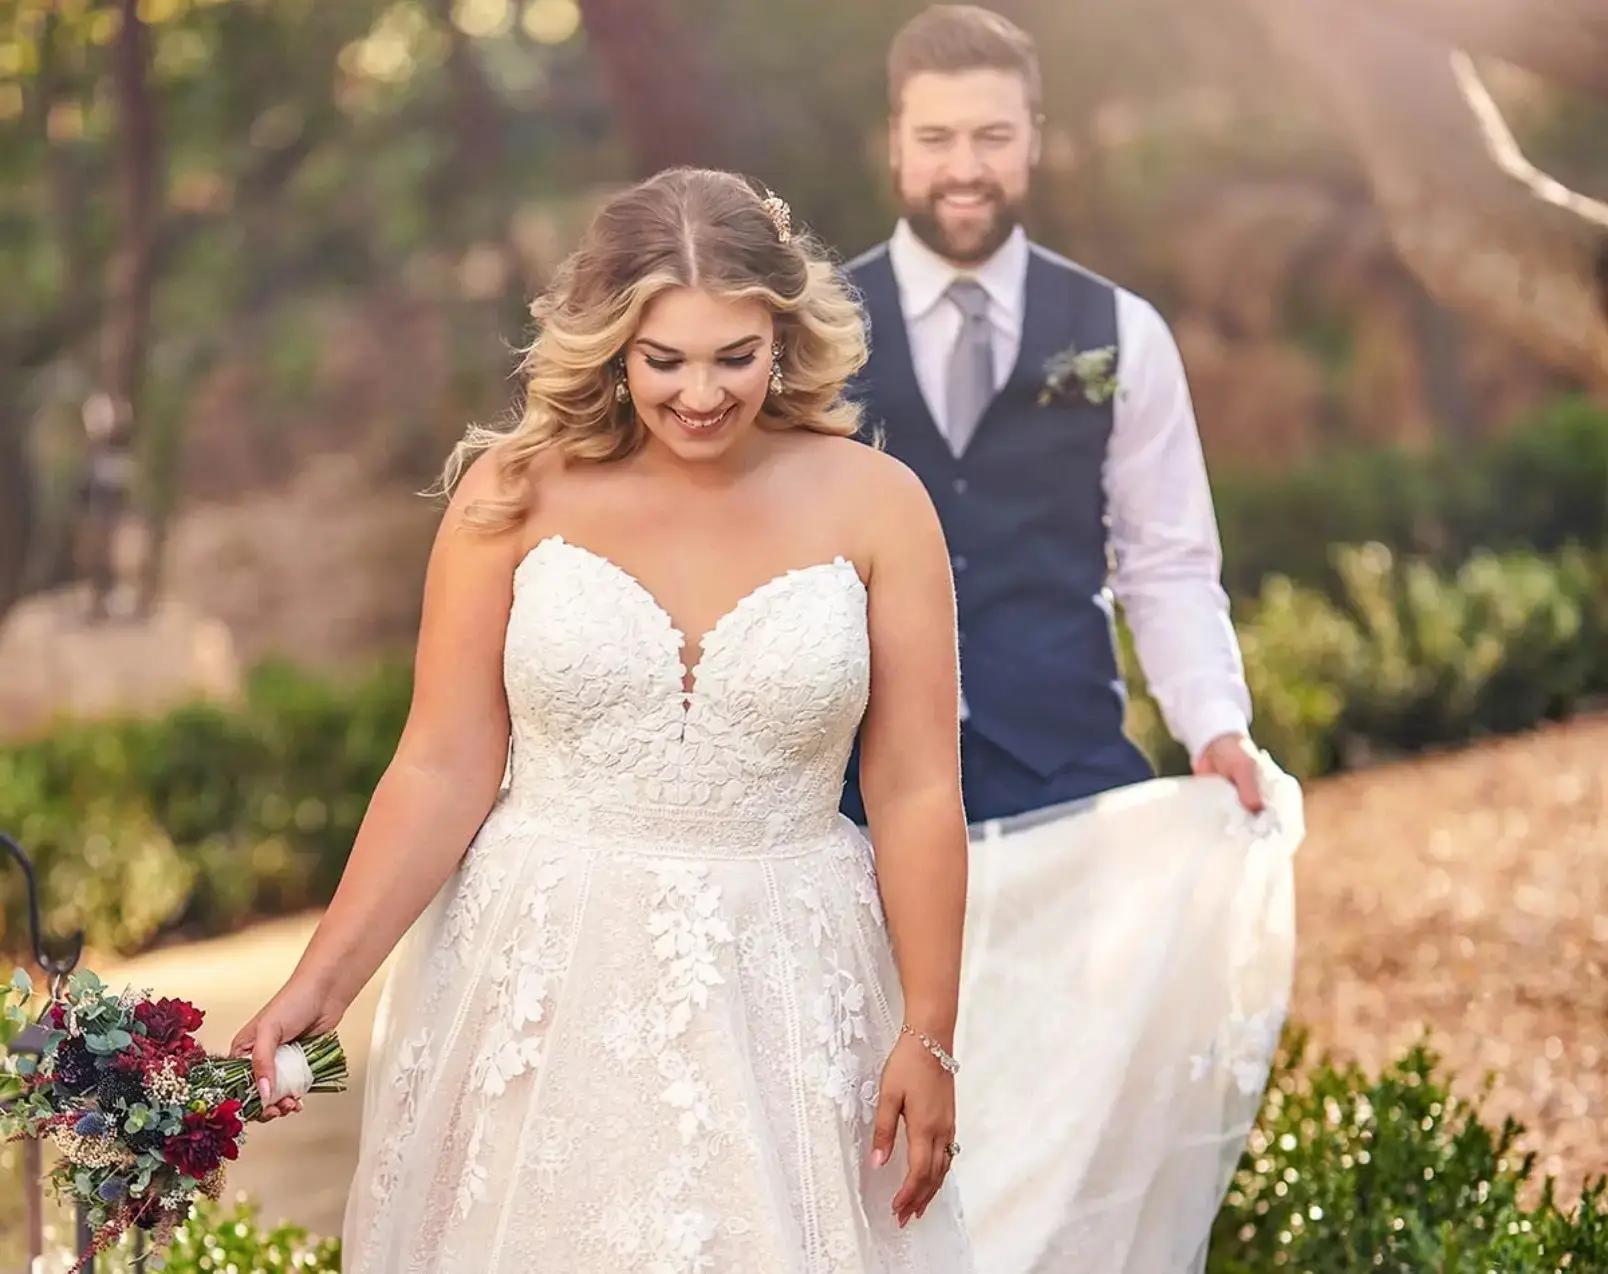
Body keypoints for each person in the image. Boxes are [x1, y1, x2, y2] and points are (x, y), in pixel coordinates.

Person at [230, 168, 976, 1273]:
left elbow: (917, 786)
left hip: (788, 979)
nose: (701, 395)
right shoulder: (512, 495)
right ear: (611, 348)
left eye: (736, 355)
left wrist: (929, 1030)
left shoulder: (877, 502)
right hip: (541, 975)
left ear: (784, 334)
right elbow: (440, 763)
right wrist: (321, 982)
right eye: (663, 360)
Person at [841, 8, 1304, 1271]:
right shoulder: (812, 330)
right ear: (895, 145)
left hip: (1068, 779)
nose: (964, 165)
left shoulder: (1120, 332)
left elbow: (1167, 560)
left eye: (992, 134)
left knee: (1075, 1105)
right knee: (874, 1115)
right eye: (936, 136)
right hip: (857, 802)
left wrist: (1215, 725)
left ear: (1035, 139)